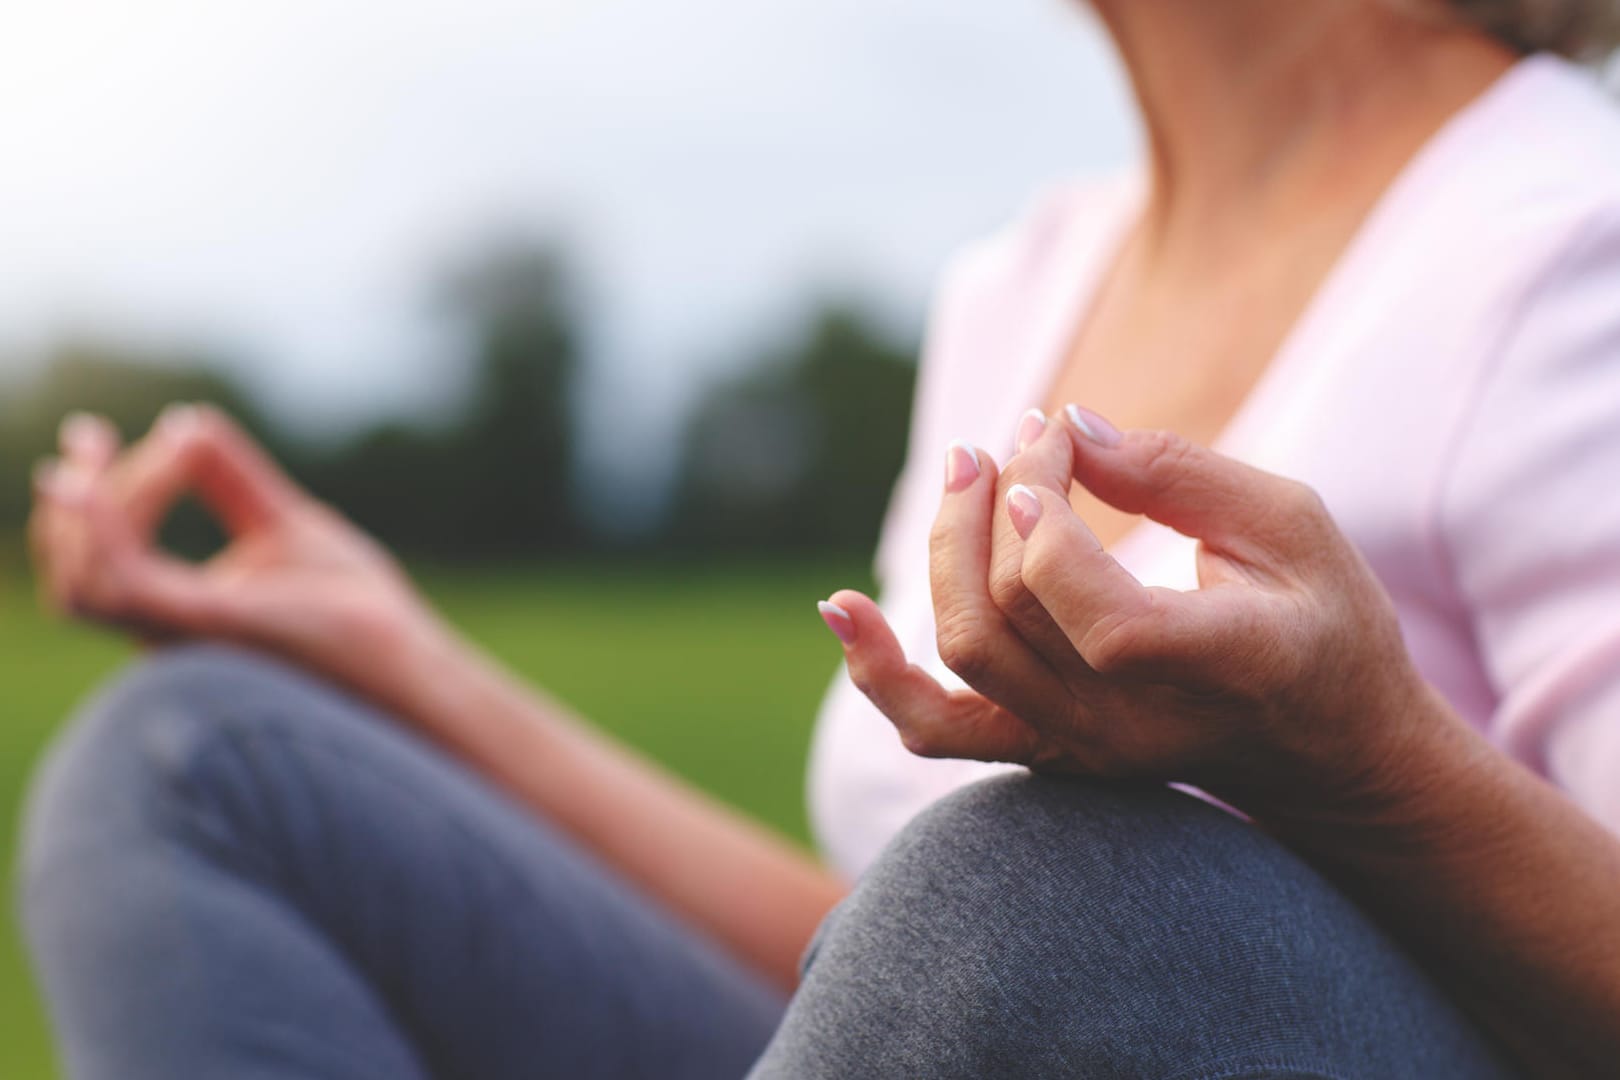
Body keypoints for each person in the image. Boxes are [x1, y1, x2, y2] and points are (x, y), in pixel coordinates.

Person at [18, 0, 1620, 1076]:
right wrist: (402, 654)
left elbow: (1026, 950)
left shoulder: (1568, 244)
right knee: (195, 766)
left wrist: (1358, 760)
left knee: (1052, 894)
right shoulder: (1025, 283)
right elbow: (895, 972)